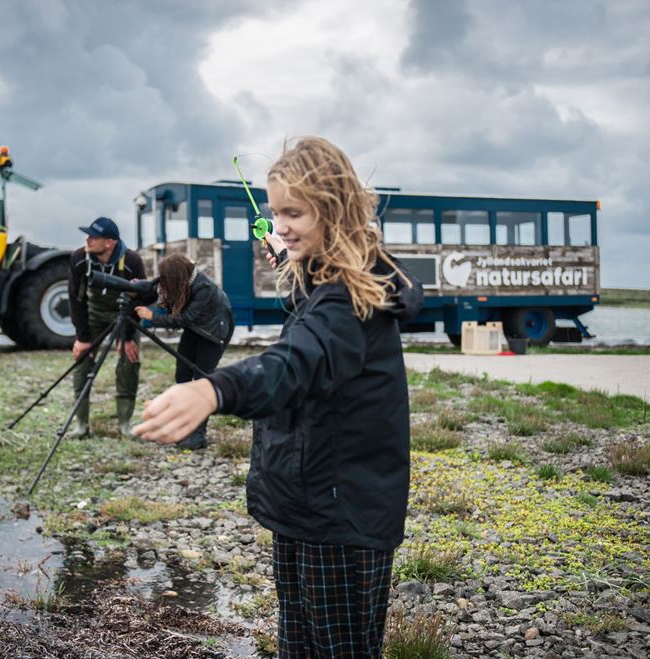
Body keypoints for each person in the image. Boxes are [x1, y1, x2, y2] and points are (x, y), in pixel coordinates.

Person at [133, 136, 422, 657]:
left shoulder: (350, 302)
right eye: (274, 212)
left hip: (341, 519)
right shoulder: (326, 280)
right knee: (297, 645)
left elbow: (293, 364)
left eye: (295, 212)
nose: (280, 224)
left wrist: (212, 389)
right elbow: (311, 317)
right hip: (308, 505)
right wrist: (295, 262)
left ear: (333, 211)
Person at [134, 253, 235, 450]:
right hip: (195, 329)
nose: (163, 283)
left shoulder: (203, 288)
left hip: (213, 334)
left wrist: (152, 317)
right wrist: (138, 289)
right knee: (182, 375)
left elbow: (184, 319)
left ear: (176, 277)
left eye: (166, 279)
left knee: (201, 381)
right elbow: (156, 288)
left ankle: (198, 435)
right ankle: (182, 428)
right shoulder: (181, 279)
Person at [68, 216, 147, 439]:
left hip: (125, 316)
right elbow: (76, 299)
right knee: (82, 362)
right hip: (92, 315)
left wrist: (127, 336)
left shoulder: (132, 261)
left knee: (129, 361)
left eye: (93, 236)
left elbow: (142, 299)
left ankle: (124, 424)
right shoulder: (78, 258)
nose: (87, 239)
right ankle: (81, 426)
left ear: (109, 242)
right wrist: (82, 337)